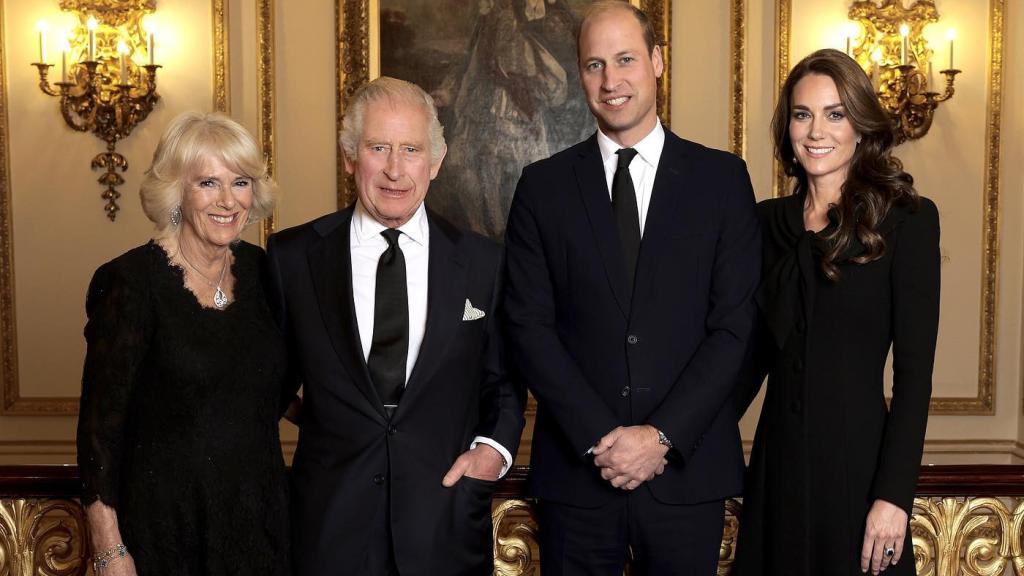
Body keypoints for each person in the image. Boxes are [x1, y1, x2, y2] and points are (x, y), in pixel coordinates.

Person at [503, 2, 761, 574]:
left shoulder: (721, 181)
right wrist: (603, 438)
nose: (611, 80)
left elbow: (734, 327)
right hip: (578, 477)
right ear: (580, 76)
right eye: (594, 65)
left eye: (625, 60)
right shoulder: (543, 188)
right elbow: (528, 328)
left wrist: (661, 437)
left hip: (686, 476)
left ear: (658, 61)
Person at [267, 76, 525, 576]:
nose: (393, 169)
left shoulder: (482, 262)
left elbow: (505, 382)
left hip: (443, 520)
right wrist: (326, 419)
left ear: (436, 161)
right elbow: (264, 381)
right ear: (349, 157)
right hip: (328, 526)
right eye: (378, 147)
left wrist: (491, 454)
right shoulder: (293, 257)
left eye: (410, 149)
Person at [734, 48, 940, 576]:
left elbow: (915, 378)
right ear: (788, 127)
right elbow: (746, 360)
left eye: (835, 113)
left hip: (859, 477)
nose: (816, 131)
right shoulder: (764, 224)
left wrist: (893, 498)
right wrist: (672, 439)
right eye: (803, 114)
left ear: (860, 125)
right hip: (776, 473)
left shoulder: (907, 220)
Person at [77, 111, 290, 575]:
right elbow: (99, 435)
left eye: (240, 182)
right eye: (208, 183)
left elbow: (274, 389)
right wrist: (110, 551)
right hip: (163, 531)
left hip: (261, 526)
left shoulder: (265, 273)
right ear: (175, 192)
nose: (228, 200)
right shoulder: (130, 283)